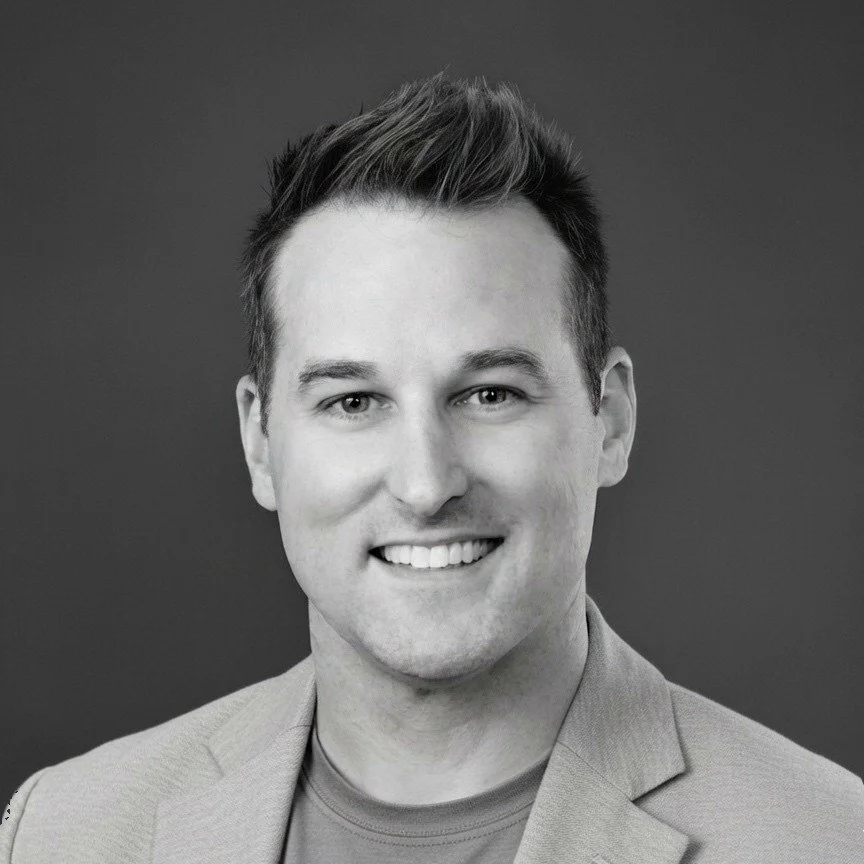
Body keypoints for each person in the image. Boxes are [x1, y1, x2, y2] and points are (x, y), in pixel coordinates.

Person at [2, 74, 861, 864]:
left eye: (490, 394)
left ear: (610, 420)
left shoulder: (827, 842)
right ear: (259, 442)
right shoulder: (62, 833)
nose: (425, 484)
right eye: (353, 401)